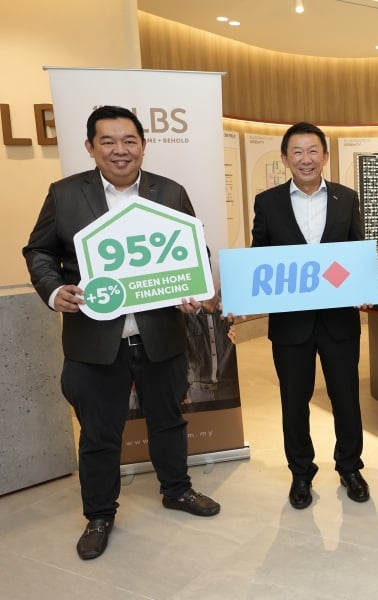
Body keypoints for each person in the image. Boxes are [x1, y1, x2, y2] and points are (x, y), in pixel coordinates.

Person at [22, 105, 221, 561]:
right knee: (98, 431)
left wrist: (194, 287)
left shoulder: (169, 192)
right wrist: (55, 292)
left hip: (159, 334)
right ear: (90, 147)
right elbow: (38, 251)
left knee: (169, 420)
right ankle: (99, 513)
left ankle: (176, 489)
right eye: (107, 141)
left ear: (143, 145)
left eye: (129, 140)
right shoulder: (65, 194)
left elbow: (193, 247)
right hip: (94, 338)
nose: (119, 149)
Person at [251, 122, 369, 509]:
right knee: (294, 401)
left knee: (346, 398)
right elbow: (259, 261)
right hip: (290, 325)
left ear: (326, 156)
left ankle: (350, 467)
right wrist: (242, 293)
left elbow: (355, 254)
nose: (306, 159)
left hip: (339, 322)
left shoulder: (346, 198)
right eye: (297, 152)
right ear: (285, 158)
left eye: (313, 151)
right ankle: (301, 474)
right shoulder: (267, 203)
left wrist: (364, 289)